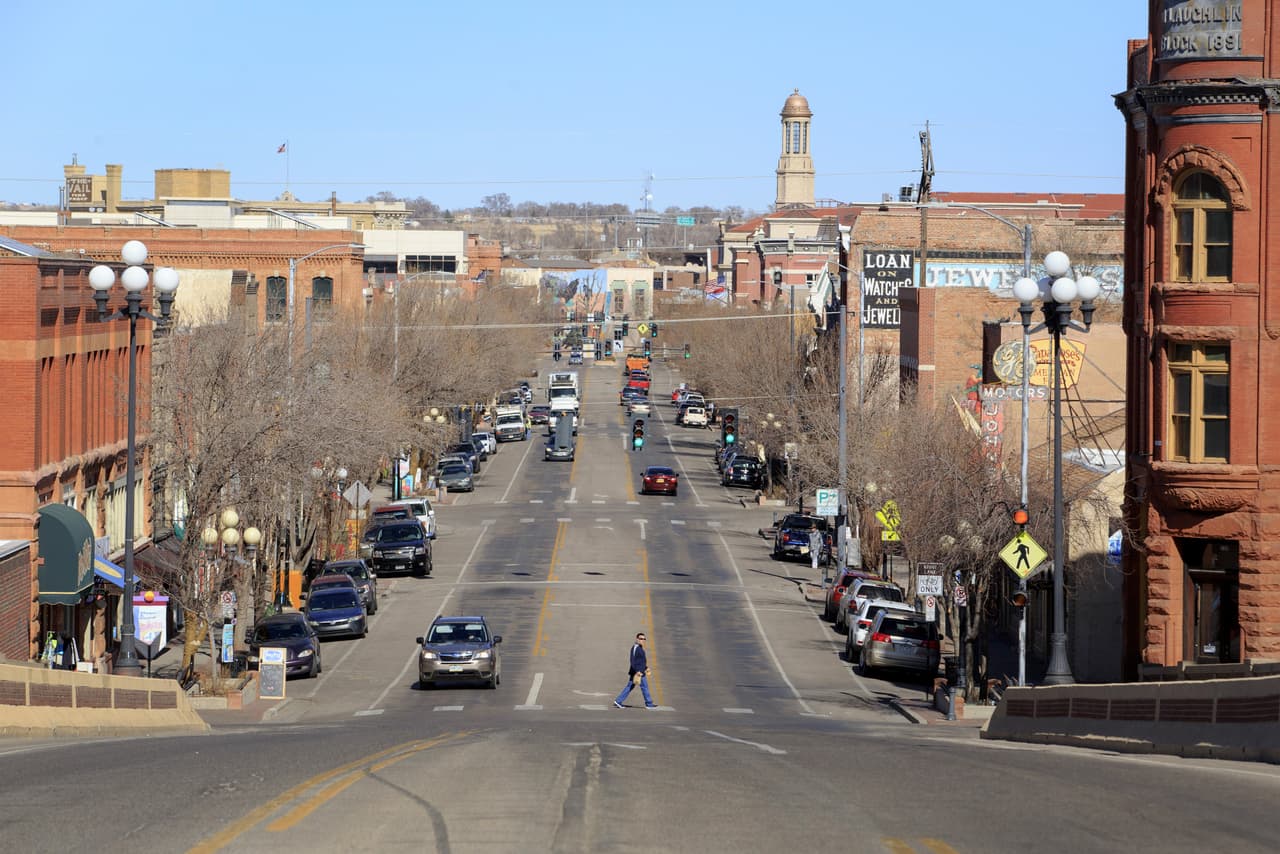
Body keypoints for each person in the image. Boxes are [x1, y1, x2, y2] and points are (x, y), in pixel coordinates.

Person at [613, 632, 656, 709]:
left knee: (630, 687)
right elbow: (632, 661)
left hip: (639, 671)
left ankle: (618, 701)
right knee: (644, 687)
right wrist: (637, 671)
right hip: (638, 673)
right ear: (637, 639)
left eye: (644, 639)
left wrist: (646, 668)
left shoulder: (639, 647)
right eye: (641, 639)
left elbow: (641, 661)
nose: (642, 640)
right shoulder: (635, 648)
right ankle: (649, 704)